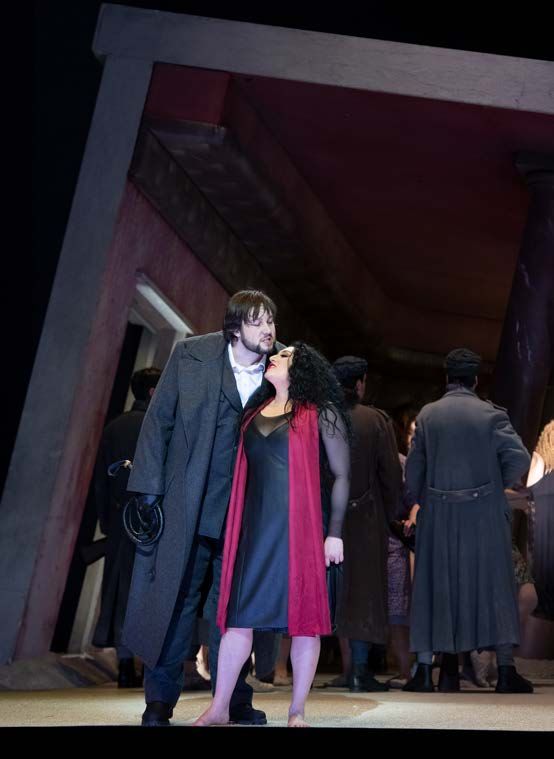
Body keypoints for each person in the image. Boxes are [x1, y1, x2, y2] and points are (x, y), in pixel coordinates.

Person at [122, 290, 283, 726]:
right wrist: (149, 491)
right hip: (187, 505)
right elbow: (159, 421)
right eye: (256, 321)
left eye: (270, 320)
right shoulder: (191, 355)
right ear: (234, 328)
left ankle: (233, 698)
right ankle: (159, 699)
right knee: (173, 602)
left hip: (246, 512)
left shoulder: (282, 368)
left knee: (236, 611)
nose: (267, 329)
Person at [193, 342, 351, 727]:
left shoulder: (321, 413)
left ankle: (297, 711)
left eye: (284, 356)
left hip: (300, 529)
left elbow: (342, 475)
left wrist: (334, 533)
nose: (274, 357)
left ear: (301, 370)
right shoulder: (253, 413)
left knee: (304, 620)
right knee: (237, 618)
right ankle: (219, 708)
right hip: (252, 529)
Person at [403, 348, 534, 694]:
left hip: (439, 513)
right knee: (494, 588)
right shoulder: (491, 414)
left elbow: (414, 470)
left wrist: (420, 497)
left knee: (435, 588)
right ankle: (505, 671)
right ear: (475, 380)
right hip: (483, 515)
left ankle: (425, 671)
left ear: (447, 378)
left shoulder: (428, 415)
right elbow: (519, 458)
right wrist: (494, 484)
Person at [331, 356, 402, 692]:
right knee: (363, 592)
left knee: (333, 592)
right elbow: (390, 474)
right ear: (360, 384)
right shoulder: (375, 420)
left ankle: (338, 669)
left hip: (324, 519)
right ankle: (359, 670)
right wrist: (392, 515)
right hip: (365, 518)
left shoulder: (319, 417)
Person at [92, 367, 161, 687]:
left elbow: (100, 481)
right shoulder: (160, 425)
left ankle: (124, 665)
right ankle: (149, 666)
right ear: (153, 392)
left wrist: (107, 521)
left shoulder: (114, 427)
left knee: (121, 589)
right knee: (151, 591)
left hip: (121, 520)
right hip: (155, 522)